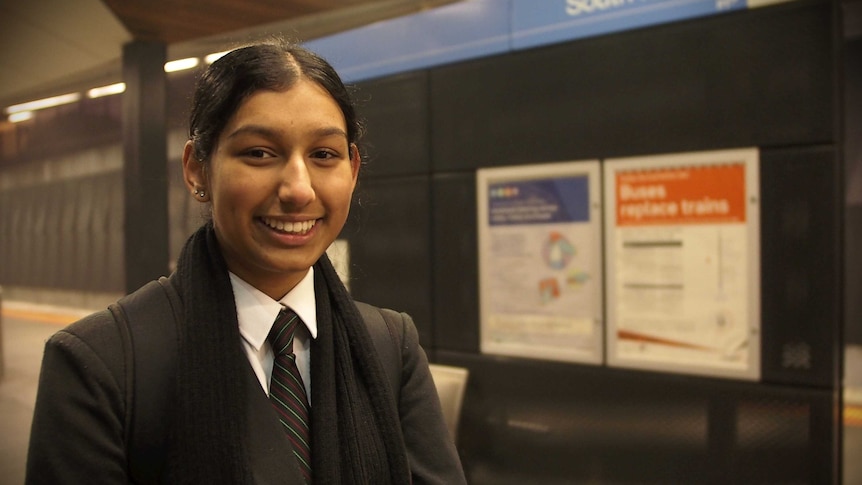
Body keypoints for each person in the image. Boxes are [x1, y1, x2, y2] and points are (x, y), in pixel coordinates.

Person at [25, 40, 467, 485]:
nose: (299, 189)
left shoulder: (389, 347)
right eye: (258, 152)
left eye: (324, 155)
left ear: (352, 171)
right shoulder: (101, 364)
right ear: (197, 168)